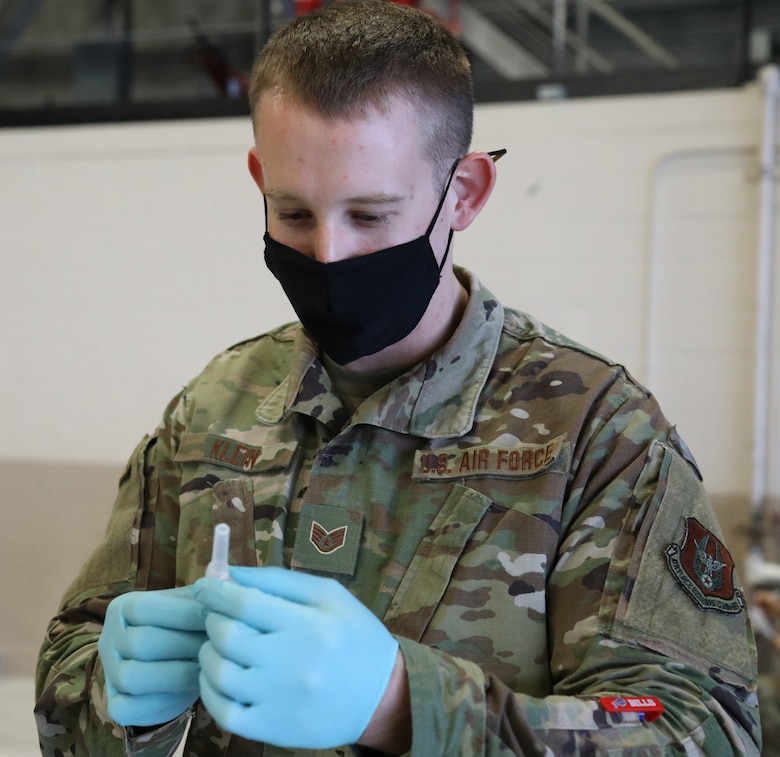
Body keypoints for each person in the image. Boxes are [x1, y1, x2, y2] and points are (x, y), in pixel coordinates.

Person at [35, 2, 761, 755]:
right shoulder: (211, 410)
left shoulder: (596, 436)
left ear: (465, 193)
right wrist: (117, 703)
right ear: (260, 177)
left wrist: (406, 707)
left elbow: (704, 731)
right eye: (293, 213)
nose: (329, 254)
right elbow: (71, 674)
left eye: (372, 215)